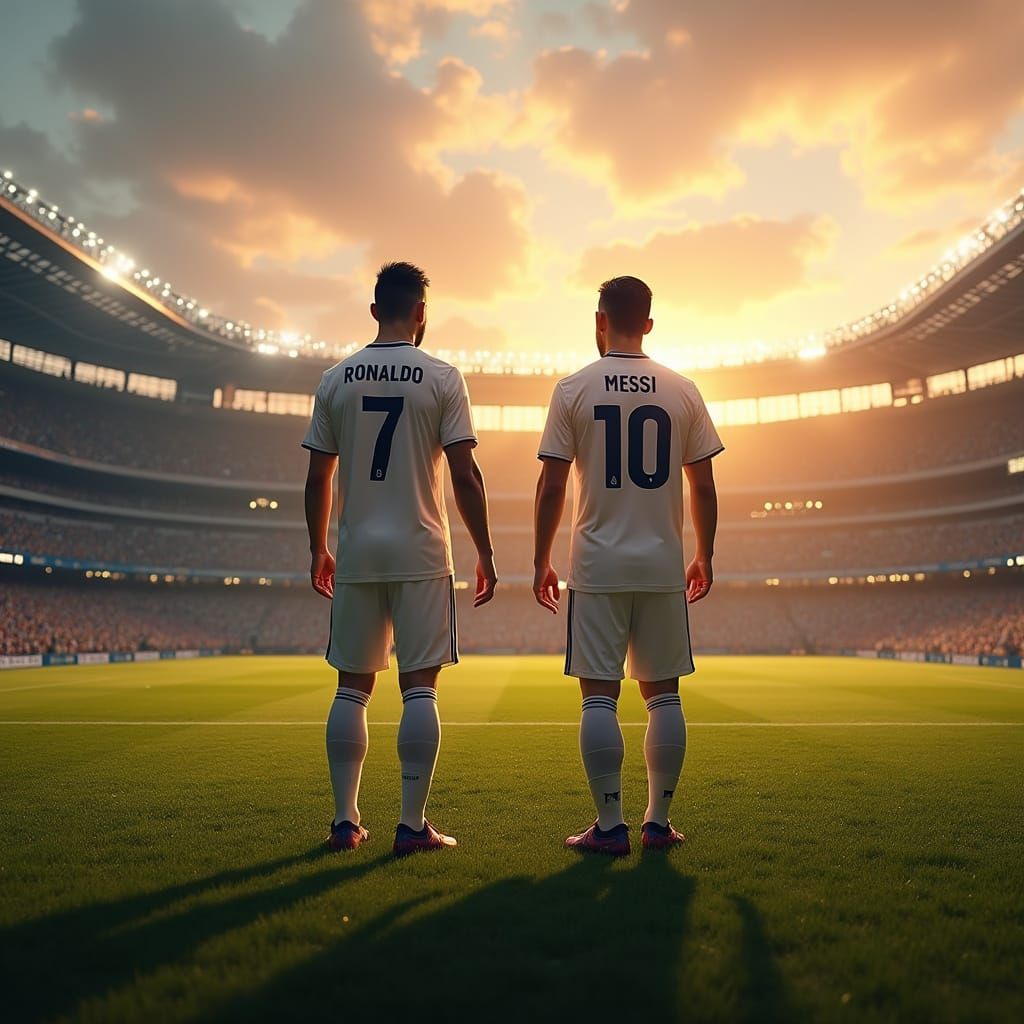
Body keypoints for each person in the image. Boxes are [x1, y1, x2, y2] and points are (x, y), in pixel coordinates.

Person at [302, 261, 497, 856]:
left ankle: (344, 821)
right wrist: (486, 552)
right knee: (420, 691)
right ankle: (412, 828)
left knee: (351, 689)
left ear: (373, 310)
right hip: (420, 550)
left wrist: (319, 548)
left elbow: (318, 476)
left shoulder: (336, 378)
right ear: (421, 314)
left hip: (359, 550)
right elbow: (464, 472)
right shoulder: (442, 376)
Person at [532, 276, 722, 856]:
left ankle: (609, 826)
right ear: (648, 323)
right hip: (662, 563)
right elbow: (705, 484)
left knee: (599, 698)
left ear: (599, 320)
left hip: (598, 565)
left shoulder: (573, 388)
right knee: (663, 696)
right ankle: (658, 823)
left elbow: (552, 483)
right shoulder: (682, 389)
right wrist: (704, 554)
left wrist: (541, 558)